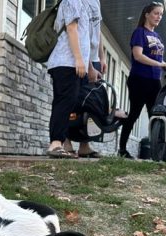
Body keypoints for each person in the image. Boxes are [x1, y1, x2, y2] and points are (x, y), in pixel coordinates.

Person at [117, 2, 166, 159]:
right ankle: (122, 149)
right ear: (147, 14)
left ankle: (158, 151)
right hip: (139, 79)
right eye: (156, 13)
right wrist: (160, 64)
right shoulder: (139, 32)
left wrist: (165, 67)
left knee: (157, 116)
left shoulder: (158, 37)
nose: (158, 17)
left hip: (154, 81)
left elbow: (157, 57)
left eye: (161, 14)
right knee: (134, 114)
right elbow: (138, 55)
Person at [45, 0, 92, 159]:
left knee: (69, 102)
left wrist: (87, 64)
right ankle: (56, 143)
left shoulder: (81, 3)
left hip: (72, 63)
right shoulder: (72, 0)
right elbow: (72, 29)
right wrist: (79, 59)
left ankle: (60, 143)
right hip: (66, 62)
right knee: (64, 101)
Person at [64, 0, 105, 158]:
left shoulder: (96, 2)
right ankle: (66, 141)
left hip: (93, 57)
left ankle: (84, 144)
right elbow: (76, 31)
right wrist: (86, 64)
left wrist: (102, 57)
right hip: (79, 56)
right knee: (72, 101)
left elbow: (97, 29)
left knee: (89, 104)